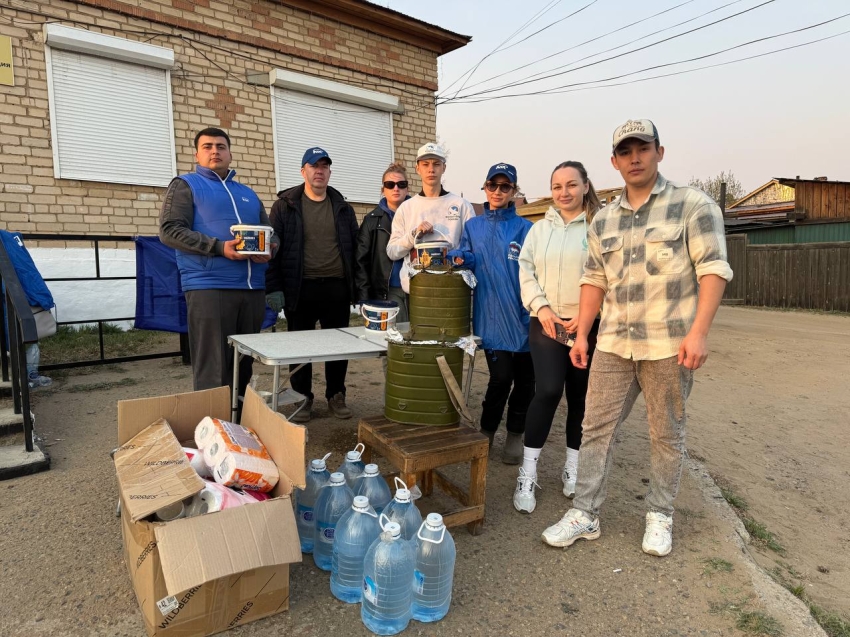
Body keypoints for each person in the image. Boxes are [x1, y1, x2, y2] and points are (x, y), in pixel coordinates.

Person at [541, 119, 733, 557]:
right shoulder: (603, 219)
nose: (634, 158)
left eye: (642, 149)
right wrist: (582, 335)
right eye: (625, 152)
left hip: (669, 344)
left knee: (666, 433)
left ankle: (660, 515)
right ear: (613, 161)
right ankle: (585, 512)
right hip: (612, 343)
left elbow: (713, 270)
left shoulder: (693, 206)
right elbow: (594, 280)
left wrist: (699, 333)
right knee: (595, 429)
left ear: (659, 152)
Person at [159, 127, 275, 403]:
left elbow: (269, 231)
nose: (215, 151)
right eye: (208, 146)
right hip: (209, 288)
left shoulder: (247, 193)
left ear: (230, 154)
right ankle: (212, 432)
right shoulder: (185, 185)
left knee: (244, 364)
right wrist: (219, 247)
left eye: (221, 146)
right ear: (197, 153)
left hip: (251, 289)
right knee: (214, 367)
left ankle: (239, 430)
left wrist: (269, 247)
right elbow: (170, 230)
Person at [514, 161, 602, 513]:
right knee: (548, 390)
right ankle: (528, 471)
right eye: (557, 186)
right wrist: (542, 308)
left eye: (571, 185)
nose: (563, 192)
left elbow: (608, 274)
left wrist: (584, 316)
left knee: (580, 396)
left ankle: (572, 467)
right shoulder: (538, 230)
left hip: (587, 324)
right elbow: (525, 269)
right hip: (547, 323)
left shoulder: (599, 226)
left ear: (584, 186)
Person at [447, 163, 534, 465]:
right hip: (492, 320)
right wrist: (460, 258)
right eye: (492, 185)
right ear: (484, 188)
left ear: (514, 191)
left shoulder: (526, 229)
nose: (498, 191)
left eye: (505, 186)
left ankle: (515, 434)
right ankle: (487, 431)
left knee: (526, 382)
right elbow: (468, 256)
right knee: (501, 379)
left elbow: (536, 271)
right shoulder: (474, 226)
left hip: (524, 320)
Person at [265, 147, 359, 423]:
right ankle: (303, 397)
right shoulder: (285, 206)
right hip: (300, 288)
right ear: (303, 171)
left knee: (339, 346)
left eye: (324, 166)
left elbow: (354, 249)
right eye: (313, 165)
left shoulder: (343, 207)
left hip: (336, 287)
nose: (319, 170)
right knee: (301, 347)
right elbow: (273, 250)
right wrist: (274, 287)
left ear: (329, 171)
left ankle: (336, 395)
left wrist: (357, 288)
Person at [386, 143, 475, 291]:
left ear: (444, 168)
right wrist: (414, 234)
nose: (431, 169)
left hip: (451, 287)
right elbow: (392, 252)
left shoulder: (461, 205)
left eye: (436, 164)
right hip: (417, 289)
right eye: (425, 164)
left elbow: (472, 250)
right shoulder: (406, 208)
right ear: (417, 168)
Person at [354, 163, 411, 321]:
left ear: (407, 188)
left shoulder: (418, 214)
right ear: (383, 189)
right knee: (391, 339)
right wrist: (364, 296)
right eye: (390, 184)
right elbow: (361, 261)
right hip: (387, 291)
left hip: (417, 288)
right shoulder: (372, 220)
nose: (396, 188)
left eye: (401, 184)